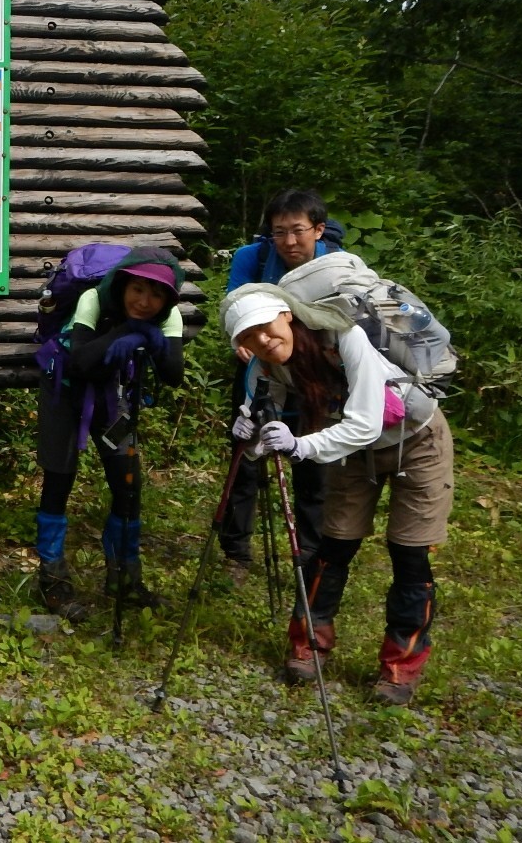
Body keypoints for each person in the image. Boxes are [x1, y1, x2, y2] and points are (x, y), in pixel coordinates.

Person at [222, 285, 455, 705]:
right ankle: (308, 645)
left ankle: (400, 668)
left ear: (286, 315)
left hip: (417, 441)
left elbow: (365, 422)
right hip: (354, 452)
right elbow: (259, 423)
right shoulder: (263, 367)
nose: (262, 339)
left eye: (265, 326)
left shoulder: (345, 336)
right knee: (334, 546)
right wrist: (251, 434)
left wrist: (300, 446)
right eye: (248, 336)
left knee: (410, 554)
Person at [34, 247, 185, 621]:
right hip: (64, 392)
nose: (145, 301)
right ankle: (52, 581)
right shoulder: (92, 298)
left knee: (128, 488)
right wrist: (132, 330)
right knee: (58, 481)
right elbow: (81, 362)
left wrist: (150, 335)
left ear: (168, 298)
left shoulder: (169, 316)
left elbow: (173, 374)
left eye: (156, 294)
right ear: (122, 285)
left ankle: (124, 580)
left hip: (114, 398)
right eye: (137, 289)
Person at [219, 189, 343, 587]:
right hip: (262, 371)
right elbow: (235, 307)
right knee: (246, 458)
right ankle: (235, 553)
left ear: (318, 230)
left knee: (314, 464)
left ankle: (308, 554)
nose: (290, 242)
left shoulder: (337, 267)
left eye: (299, 231)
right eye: (280, 232)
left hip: (315, 379)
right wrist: (241, 341)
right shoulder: (251, 259)